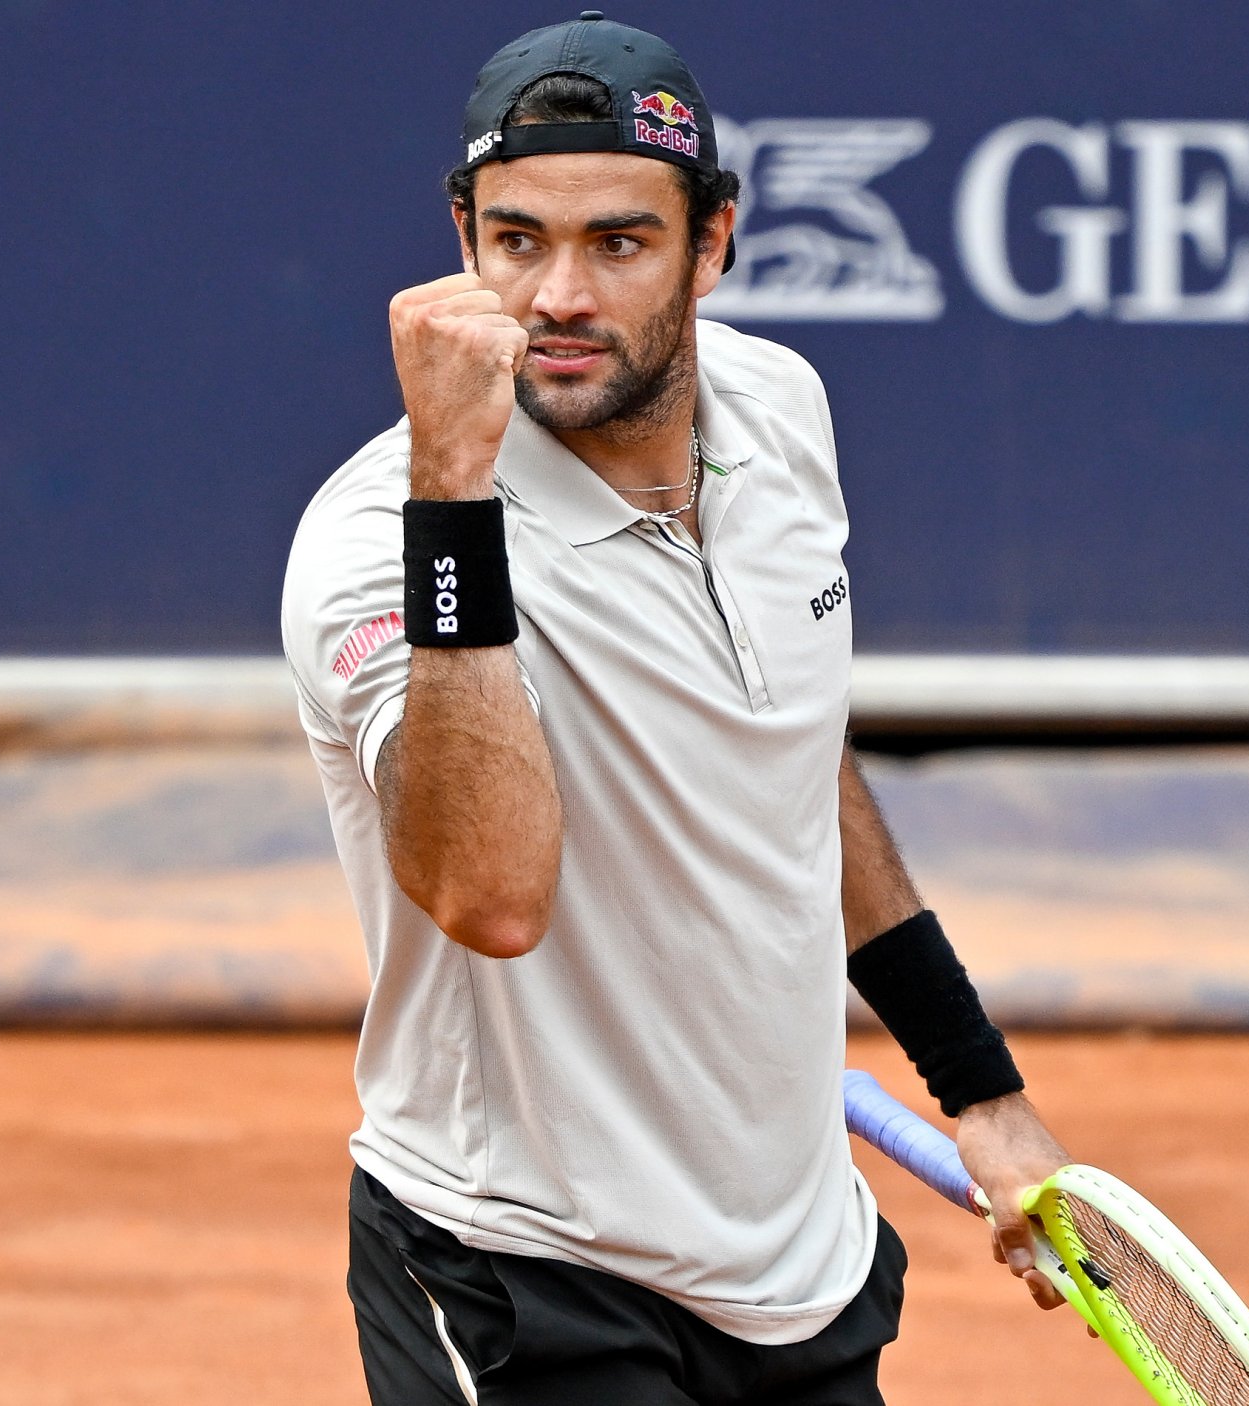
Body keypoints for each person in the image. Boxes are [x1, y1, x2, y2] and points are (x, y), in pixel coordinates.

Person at [280, 13, 1073, 1404]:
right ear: (461, 234)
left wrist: (981, 1090)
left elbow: (789, 751)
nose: (556, 296)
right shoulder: (375, 538)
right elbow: (487, 894)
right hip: (527, 1272)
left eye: (619, 243)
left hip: (797, 1273)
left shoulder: (782, 413)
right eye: (517, 240)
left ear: (712, 243)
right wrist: (454, 500)